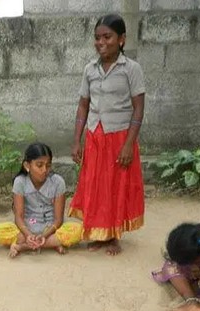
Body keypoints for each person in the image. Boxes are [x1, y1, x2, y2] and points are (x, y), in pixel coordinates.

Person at [69, 13, 145, 256]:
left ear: (121, 39)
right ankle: (98, 233)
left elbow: (139, 108)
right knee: (95, 185)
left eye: (107, 37)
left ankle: (113, 236)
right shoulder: (89, 70)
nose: (101, 42)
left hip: (119, 137)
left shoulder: (131, 69)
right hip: (95, 136)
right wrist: (76, 140)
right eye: (97, 38)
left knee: (115, 186)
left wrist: (128, 145)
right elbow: (83, 105)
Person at [0, 143, 83, 257]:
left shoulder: (58, 182)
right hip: (26, 228)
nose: (44, 170)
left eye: (48, 165)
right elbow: (18, 217)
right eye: (39, 165)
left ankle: (22, 246)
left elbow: (58, 220)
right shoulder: (20, 182)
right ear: (27, 165)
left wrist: (44, 236)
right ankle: (52, 244)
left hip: (51, 229)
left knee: (79, 230)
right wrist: (28, 235)